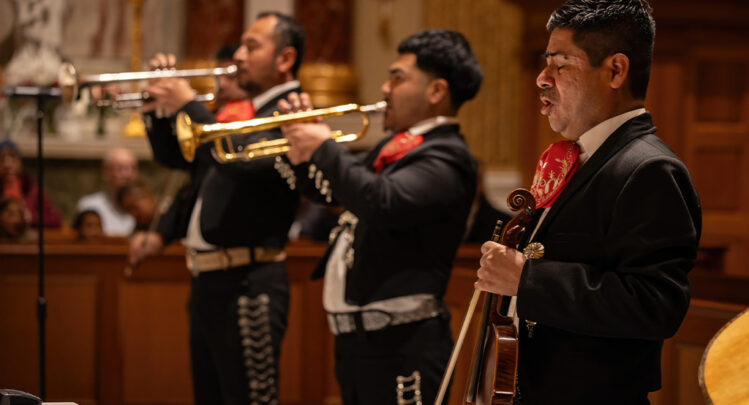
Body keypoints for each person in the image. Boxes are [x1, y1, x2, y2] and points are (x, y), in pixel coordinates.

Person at [475, 1, 702, 404]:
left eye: (560, 65)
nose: (542, 79)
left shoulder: (650, 168)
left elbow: (656, 305)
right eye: (545, 63)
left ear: (615, 70)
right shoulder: (577, 158)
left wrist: (526, 280)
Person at [277, 29, 482, 405]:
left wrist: (323, 145)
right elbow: (335, 192)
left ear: (436, 91)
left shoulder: (448, 156)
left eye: (397, 78)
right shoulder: (396, 147)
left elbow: (382, 202)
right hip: (359, 343)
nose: (385, 89)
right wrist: (292, 146)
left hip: (404, 345)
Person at [128, 11, 304, 405]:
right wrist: (157, 107)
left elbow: (241, 161)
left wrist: (189, 103)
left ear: (285, 59)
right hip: (210, 280)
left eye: (251, 46)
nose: (238, 55)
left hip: (248, 282)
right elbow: (181, 160)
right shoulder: (248, 113)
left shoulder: (291, 109)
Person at [0, 139, 62, 228]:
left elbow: (56, 219)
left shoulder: (31, 189)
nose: (8, 165)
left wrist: (31, 217)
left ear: (20, 164)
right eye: (2, 160)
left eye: (13, 160)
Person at [76, 147, 138, 236]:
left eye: (132, 168)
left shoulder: (144, 211)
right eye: (121, 168)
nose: (128, 175)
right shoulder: (88, 206)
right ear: (106, 171)